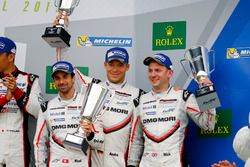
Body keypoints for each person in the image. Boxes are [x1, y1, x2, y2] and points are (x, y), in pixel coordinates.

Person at [127, 53, 216, 167]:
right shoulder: (140, 101)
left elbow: (209, 125)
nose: (153, 74)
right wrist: (131, 165)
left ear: (170, 73)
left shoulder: (183, 97)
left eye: (158, 70)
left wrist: (208, 92)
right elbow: (136, 142)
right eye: (150, 70)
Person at [82, 47, 145, 167]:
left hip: (121, 162)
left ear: (127, 67)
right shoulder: (94, 90)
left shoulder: (138, 95)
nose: (115, 69)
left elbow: (138, 137)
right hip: (94, 160)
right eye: (111, 64)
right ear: (105, 65)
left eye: (120, 65)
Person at [34, 61, 103, 167]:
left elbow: (99, 142)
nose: (61, 81)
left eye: (65, 76)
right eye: (57, 78)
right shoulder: (46, 107)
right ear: (54, 81)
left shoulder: (88, 103)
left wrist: (90, 134)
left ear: (73, 78)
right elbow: (39, 142)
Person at [0, 37, 43, 167]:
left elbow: (38, 111)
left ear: (10, 56)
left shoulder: (30, 80)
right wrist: (6, 98)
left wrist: (16, 91)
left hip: (18, 149)